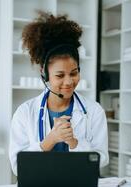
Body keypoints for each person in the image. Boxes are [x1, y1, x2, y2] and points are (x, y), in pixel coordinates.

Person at [9, 12, 109, 175]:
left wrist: (74, 143)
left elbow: (101, 159)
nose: (69, 82)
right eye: (60, 75)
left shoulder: (94, 111)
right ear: (44, 74)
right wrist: (50, 140)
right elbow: (17, 167)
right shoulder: (25, 112)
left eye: (74, 73)